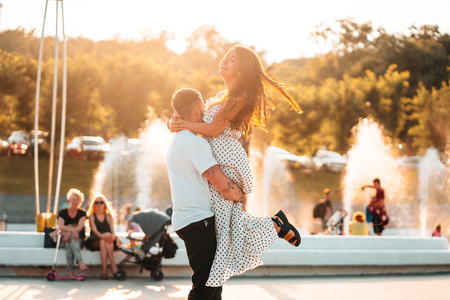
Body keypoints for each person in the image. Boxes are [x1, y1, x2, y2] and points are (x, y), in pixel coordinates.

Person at [169, 86, 301, 289]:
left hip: (188, 219)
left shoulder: (178, 140)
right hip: (198, 221)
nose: (205, 114)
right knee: (205, 285)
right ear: (196, 110)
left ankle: (274, 224)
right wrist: (240, 196)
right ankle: (273, 224)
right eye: (202, 110)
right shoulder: (195, 143)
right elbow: (224, 186)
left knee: (214, 280)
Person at [84, 193, 121, 280]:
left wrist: (112, 236)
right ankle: (113, 266)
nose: (99, 204)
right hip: (94, 239)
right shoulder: (91, 216)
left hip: (107, 240)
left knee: (105, 241)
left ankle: (104, 272)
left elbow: (113, 231)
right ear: (94, 204)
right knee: (103, 240)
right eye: (97, 202)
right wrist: (103, 235)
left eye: (101, 202)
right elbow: (94, 230)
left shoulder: (109, 216)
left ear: (105, 204)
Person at [57, 188, 88, 277]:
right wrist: (72, 230)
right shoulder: (62, 212)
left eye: (77, 200)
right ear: (69, 200)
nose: (75, 201)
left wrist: (69, 232)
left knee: (70, 242)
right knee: (70, 239)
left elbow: (80, 227)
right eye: (73, 199)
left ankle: (70, 272)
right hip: (64, 238)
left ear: (80, 201)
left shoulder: (82, 213)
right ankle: (79, 261)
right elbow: (61, 226)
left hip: (79, 239)